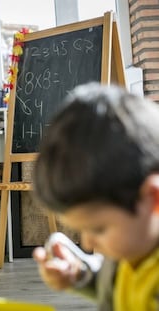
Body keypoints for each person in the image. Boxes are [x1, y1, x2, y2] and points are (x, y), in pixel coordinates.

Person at [32, 82, 159, 311]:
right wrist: (78, 275)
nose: (88, 242)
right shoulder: (133, 245)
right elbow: (116, 286)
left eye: (98, 228)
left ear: (154, 199)